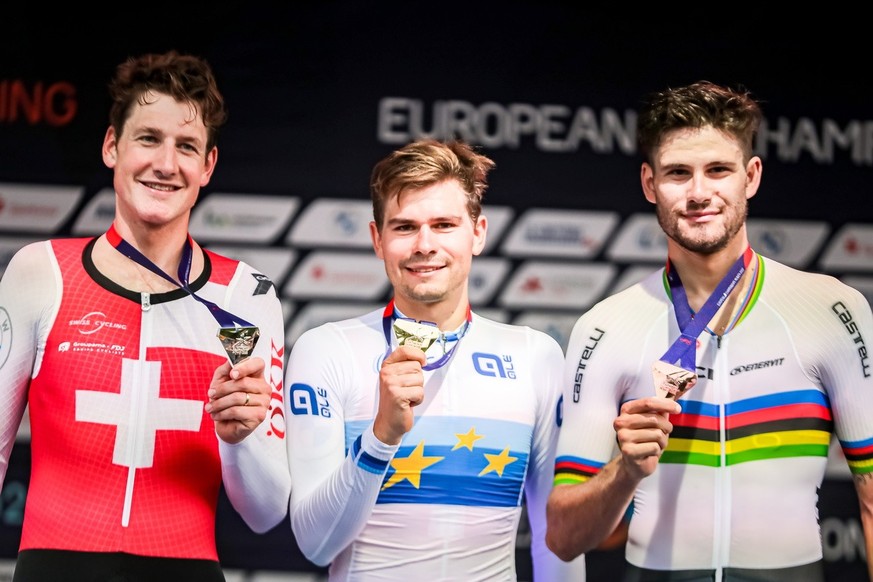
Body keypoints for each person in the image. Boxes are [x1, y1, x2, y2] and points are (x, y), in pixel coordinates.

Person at [546, 80, 873, 581]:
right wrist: (625, 472)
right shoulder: (605, 327)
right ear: (650, 183)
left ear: (751, 176)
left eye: (717, 170)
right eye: (678, 173)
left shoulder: (831, 309)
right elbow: (564, 539)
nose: (699, 193)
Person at [0, 50, 290, 581]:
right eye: (148, 138)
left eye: (186, 146)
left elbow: (266, 512)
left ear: (208, 166)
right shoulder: (40, 272)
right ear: (112, 147)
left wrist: (242, 438)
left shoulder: (245, 295)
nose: (165, 163)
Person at [284, 138, 586, 581]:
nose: (425, 245)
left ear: (478, 233)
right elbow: (316, 544)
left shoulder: (534, 355)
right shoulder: (327, 350)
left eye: (444, 224)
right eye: (404, 227)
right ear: (377, 239)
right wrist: (381, 435)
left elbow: (555, 539)